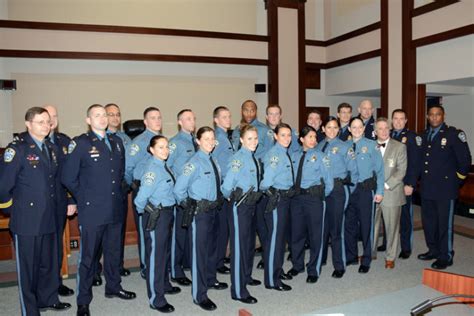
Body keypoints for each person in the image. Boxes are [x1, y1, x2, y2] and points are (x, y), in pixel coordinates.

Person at [62, 104, 136, 316]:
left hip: (114, 207)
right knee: (88, 257)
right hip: (92, 209)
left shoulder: (117, 142)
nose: (103, 118)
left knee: (113, 253)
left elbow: (119, 173)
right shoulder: (81, 143)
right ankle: (83, 301)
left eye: (105, 115)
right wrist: (84, 197)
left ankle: (114, 286)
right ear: (88, 120)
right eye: (97, 115)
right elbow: (68, 177)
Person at [0, 107, 71, 315]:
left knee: (48, 263)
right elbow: (3, 187)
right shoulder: (18, 149)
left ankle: (48, 299)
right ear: (28, 124)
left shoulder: (52, 148)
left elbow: (56, 182)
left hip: (49, 216)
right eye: (40, 122)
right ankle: (30, 310)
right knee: (28, 270)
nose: (46, 125)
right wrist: (15, 210)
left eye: (48, 122)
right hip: (27, 220)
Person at [174, 126, 228, 311]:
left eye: (212, 138)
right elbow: (179, 190)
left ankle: (211, 279)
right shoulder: (194, 162)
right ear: (198, 141)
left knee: (212, 249)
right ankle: (199, 295)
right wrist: (189, 205)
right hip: (200, 214)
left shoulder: (213, 160)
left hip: (214, 210)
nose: (210, 142)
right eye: (206, 139)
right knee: (199, 254)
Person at [418, 105, 471, 270]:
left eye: (438, 114)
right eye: (431, 115)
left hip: (445, 189)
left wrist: (457, 181)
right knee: (429, 222)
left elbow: (465, 160)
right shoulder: (424, 135)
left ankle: (446, 255)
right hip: (427, 188)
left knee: (444, 224)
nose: (434, 118)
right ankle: (433, 250)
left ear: (443, 116)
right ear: (427, 116)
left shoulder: (454, 135)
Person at [134, 135, 181, 313]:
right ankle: (156, 299)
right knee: (155, 258)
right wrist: (150, 212)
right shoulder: (152, 170)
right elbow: (140, 200)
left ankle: (164, 284)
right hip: (157, 216)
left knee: (164, 253)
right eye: (160, 147)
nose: (165, 150)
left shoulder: (164, 166)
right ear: (151, 150)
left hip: (167, 214)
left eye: (167, 147)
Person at [286, 126, 333, 284]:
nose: (313, 140)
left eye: (314, 137)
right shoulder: (293, 155)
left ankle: (314, 269)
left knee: (315, 236)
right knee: (296, 234)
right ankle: (297, 265)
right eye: (310, 137)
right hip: (296, 199)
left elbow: (329, 182)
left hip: (314, 199)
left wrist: (320, 197)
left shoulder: (321, 156)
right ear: (302, 139)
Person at [222, 124, 262, 305]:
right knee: (238, 248)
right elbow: (225, 187)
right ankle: (238, 290)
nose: (253, 142)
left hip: (251, 205)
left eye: (255, 138)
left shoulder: (251, 157)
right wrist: (233, 195)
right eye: (249, 139)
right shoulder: (238, 159)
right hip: (240, 207)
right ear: (241, 140)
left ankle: (245, 277)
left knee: (247, 245)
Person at [231, 100, 271, 271]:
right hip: (242, 183)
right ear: (242, 111)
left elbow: (270, 157)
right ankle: (245, 267)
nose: (249, 113)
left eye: (252, 110)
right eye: (246, 110)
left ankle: (267, 258)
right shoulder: (236, 130)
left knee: (262, 224)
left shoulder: (264, 130)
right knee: (246, 229)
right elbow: (235, 154)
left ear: (256, 111)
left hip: (259, 182)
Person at [317, 116, 358, 278]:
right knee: (322, 228)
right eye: (329, 127)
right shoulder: (319, 146)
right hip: (321, 191)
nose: (332, 130)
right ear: (323, 129)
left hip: (338, 190)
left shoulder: (344, 147)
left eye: (335, 127)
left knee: (336, 229)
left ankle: (339, 265)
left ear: (339, 129)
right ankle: (320, 260)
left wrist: (347, 192)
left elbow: (354, 173)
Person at [125, 106, 162, 279]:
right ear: (145, 122)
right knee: (144, 230)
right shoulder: (139, 142)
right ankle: (146, 267)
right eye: (153, 118)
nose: (157, 121)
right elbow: (128, 167)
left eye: (159, 118)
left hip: (159, 191)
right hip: (143, 190)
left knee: (158, 229)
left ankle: (158, 263)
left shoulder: (162, 141)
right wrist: (133, 186)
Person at [44, 104, 77, 297]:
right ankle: (43, 285)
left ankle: (56, 283)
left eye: (55, 116)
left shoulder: (65, 142)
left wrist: (71, 199)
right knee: (42, 247)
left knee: (56, 245)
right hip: (39, 205)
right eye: (48, 116)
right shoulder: (28, 144)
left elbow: (72, 174)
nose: (52, 119)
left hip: (60, 202)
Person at [344, 117, 384, 274]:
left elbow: (380, 171)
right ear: (349, 129)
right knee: (349, 225)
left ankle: (366, 259)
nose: (357, 129)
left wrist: (380, 191)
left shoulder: (372, 145)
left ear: (363, 128)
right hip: (349, 190)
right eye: (353, 127)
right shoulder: (344, 146)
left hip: (365, 190)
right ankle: (351, 255)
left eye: (360, 127)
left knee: (367, 226)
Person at [260, 123, 296, 291]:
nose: (287, 138)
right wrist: (272, 193)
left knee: (279, 240)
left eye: (289, 135)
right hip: (277, 201)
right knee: (274, 241)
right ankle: (272, 280)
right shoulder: (275, 155)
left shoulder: (283, 152)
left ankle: (277, 270)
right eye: (283, 135)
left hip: (285, 200)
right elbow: (265, 182)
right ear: (275, 136)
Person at [372, 118, 407, 269]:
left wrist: (385, 185)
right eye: (380, 128)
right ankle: (370, 252)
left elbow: (401, 170)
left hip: (391, 192)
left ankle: (390, 257)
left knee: (391, 227)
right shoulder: (369, 146)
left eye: (386, 128)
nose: (384, 131)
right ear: (375, 131)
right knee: (372, 225)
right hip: (372, 193)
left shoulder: (399, 147)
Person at [167, 109, 197, 286]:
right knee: (178, 234)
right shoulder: (175, 143)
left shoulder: (197, 141)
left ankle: (186, 263)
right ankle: (175, 270)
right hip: (181, 195)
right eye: (188, 119)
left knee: (189, 233)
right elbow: (167, 167)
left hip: (194, 195)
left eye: (193, 118)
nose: (192, 121)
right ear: (180, 122)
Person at [391, 109, 421, 259]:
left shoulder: (411, 137)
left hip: (404, 185)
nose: (398, 121)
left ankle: (406, 247)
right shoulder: (387, 135)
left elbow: (415, 163)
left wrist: (411, 184)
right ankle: (388, 243)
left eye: (401, 119)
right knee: (389, 217)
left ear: (406, 120)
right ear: (392, 120)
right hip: (389, 185)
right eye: (395, 118)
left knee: (405, 218)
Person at [212, 106, 234, 275]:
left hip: (227, 188)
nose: (228, 119)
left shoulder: (226, 137)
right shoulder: (218, 139)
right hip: (222, 189)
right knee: (221, 229)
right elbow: (217, 165)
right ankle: (217, 261)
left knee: (224, 228)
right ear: (216, 120)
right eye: (224, 117)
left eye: (229, 116)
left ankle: (220, 259)